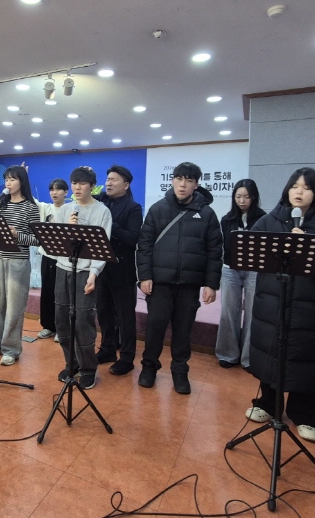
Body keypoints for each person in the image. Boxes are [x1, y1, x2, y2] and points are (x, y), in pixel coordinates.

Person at [245, 167, 315, 443]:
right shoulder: (270, 220)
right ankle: (268, 403)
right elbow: (250, 250)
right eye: (295, 186)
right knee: (271, 352)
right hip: (272, 300)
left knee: (306, 357)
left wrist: (309, 245)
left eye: (307, 188)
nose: (299, 192)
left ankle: (306, 415)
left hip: (309, 303)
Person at [136, 162, 222, 394]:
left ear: (196, 184)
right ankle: (149, 368)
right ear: (172, 180)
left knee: (183, 331)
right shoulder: (158, 209)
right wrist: (145, 276)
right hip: (160, 283)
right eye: (179, 179)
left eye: (189, 180)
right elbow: (144, 245)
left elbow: (215, 251)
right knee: (154, 328)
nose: (183, 184)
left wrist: (211, 284)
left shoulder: (207, 214)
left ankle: (180, 371)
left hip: (189, 285)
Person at [53, 167, 112, 389]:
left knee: (83, 322)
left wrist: (94, 273)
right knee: (62, 320)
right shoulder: (65, 209)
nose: (77, 188)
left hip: (86, 272)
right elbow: (54, 242)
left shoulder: (102, 211)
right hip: (63, 268)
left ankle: (88, 368)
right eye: (74, 183)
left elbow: (102, 247)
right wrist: (67, 230)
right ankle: (72, 363)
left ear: (92, 186)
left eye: (83, 184)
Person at [0, 165, 40, 365]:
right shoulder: (3, 204)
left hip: (18, 261)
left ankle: (11, 349)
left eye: (12, 179)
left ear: (21, 181)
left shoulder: (31, 207)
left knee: (14, 308)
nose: (8, 183)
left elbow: (37, 239)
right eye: (6, 179)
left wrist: (18, 235)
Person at [94, 165, 143, 376]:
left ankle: (127, 357)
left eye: (114, 180)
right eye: (107, 179)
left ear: (126, 185)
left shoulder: (133, 208)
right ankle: (107, 349)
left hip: (122, 269)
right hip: (101, 267)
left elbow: (132, 239)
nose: (108, 183)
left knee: (125, 317)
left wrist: (109, 224)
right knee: (104, 312)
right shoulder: (101, 202)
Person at [215, 179, 266, 370]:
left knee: (253, 313)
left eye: (246, 197)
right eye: (238, 196)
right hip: (230, 269)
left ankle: (249, 358)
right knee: (229, 312)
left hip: (254, 270)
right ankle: (227, 354)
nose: (242, 201)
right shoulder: (227, 219)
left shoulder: (263, 219)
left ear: (254, 197)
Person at [36, 178, 68, 340]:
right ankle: (48, 326)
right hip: (47, 256)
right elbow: (29, 198)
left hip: (64, 259)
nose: (54, 193)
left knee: (62, 294)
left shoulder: (71, 209)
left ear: (66, 192)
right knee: (47, 292)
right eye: (52, 190)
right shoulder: (45, 208)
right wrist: (23, 179)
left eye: (58, 189)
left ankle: (61, 328)